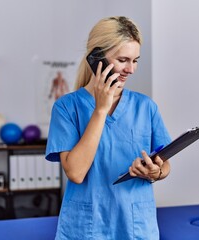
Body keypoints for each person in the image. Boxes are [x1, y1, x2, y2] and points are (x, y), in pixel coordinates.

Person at [45, 16, 171, 240]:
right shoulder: (66, 108)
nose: (131, 69)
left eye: (135, 60)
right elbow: (75, 172)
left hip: (136, 228)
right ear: (96, 58)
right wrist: (100, 110)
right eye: (123, 59)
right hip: (86, 229)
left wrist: (156, 172)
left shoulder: (146, 107)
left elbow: (165, 163)